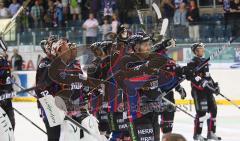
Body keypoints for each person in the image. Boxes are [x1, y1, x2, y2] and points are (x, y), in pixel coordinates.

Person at [187, 43, 221, 141]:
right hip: (198, 91)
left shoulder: (204, 61)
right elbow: (191, 77)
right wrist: (202, 82)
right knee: (202, 112)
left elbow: (208, 76)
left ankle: (211, 133)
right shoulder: (192, 62)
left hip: (208, 91)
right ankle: (197, 135)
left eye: (202, 49)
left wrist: (214, 85)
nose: (202, 50)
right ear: (195, 51)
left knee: (213, 110)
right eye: (200, 49)